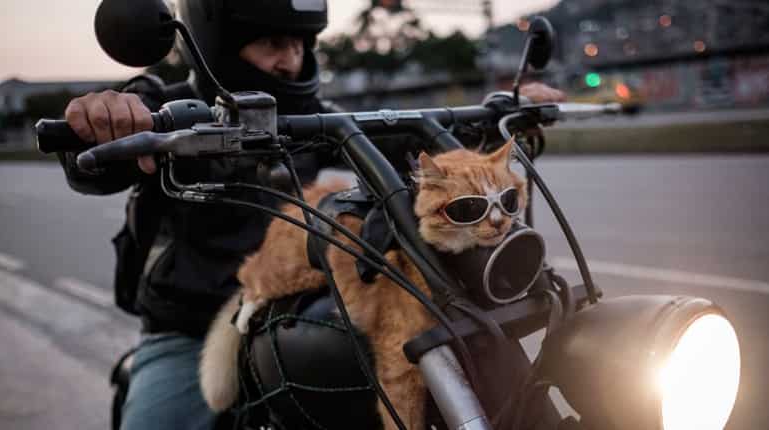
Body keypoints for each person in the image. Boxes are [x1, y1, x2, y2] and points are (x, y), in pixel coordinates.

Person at [59, 0, 566, 428]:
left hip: (301, 317)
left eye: (300, 44)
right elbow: (91, 165)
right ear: (218, 42)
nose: (291, 60)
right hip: (191, 332)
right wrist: (105, 117)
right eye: (273, 44)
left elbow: (422, 157)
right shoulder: (167, 109)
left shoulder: (320, 118)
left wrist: (501, 119)